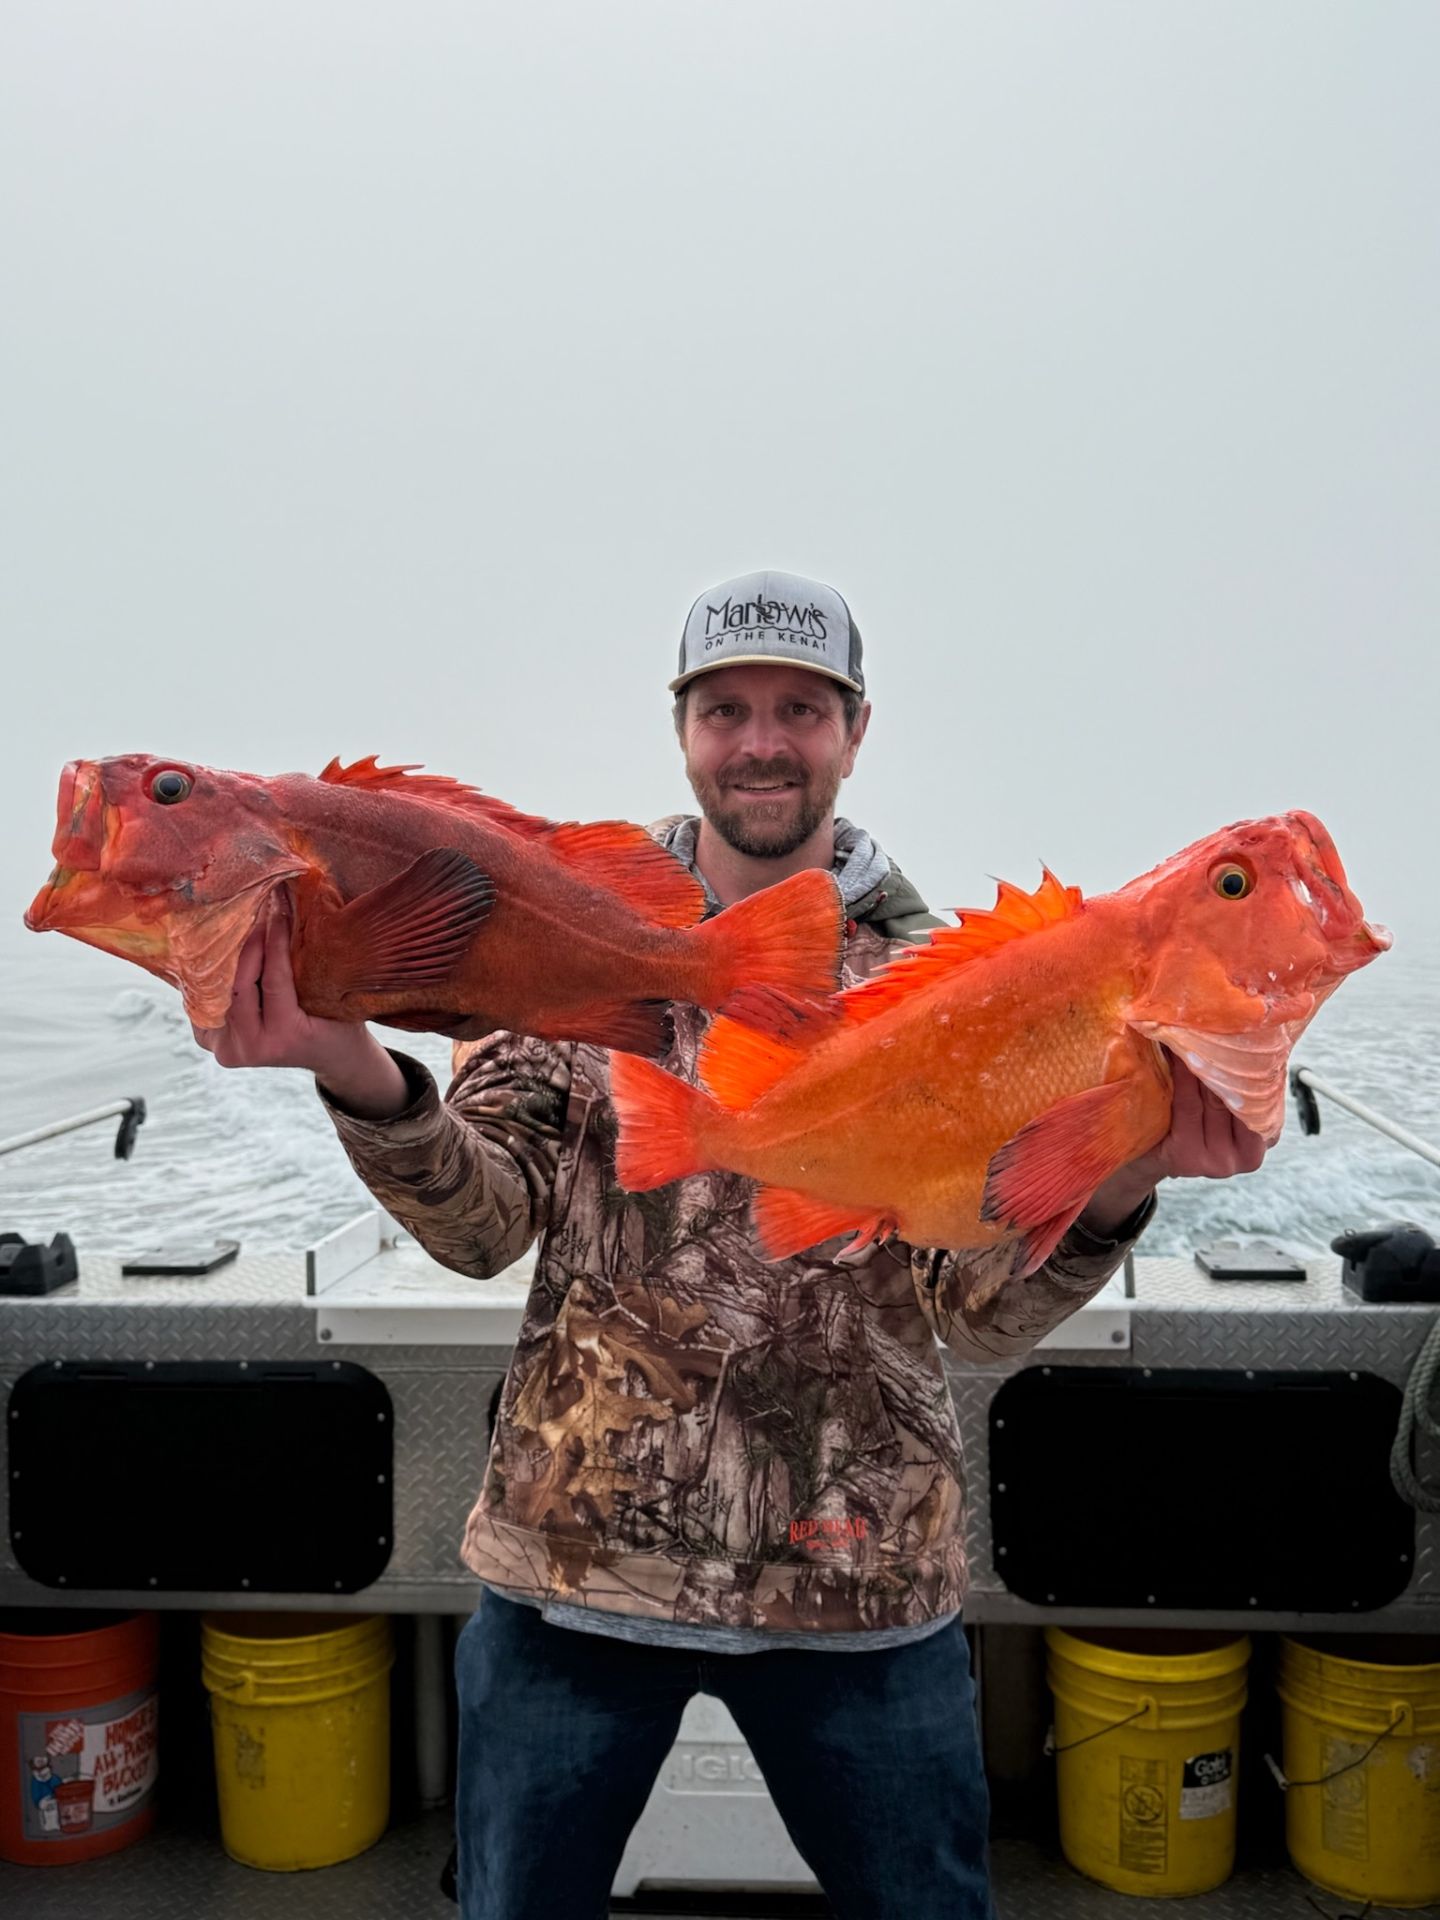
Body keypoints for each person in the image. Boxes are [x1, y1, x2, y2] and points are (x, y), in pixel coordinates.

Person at [195, 570, 1267, 1919]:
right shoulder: (569, 930)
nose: (763, 739)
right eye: (728, 708)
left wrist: (1123, 1176)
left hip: (862, 1582)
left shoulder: (956, 983)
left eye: (800, 709)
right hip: (574, 1569)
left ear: (855, 731)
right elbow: (483, 1225)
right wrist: (348, 1061)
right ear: (685, 729)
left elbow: (976, 1315)